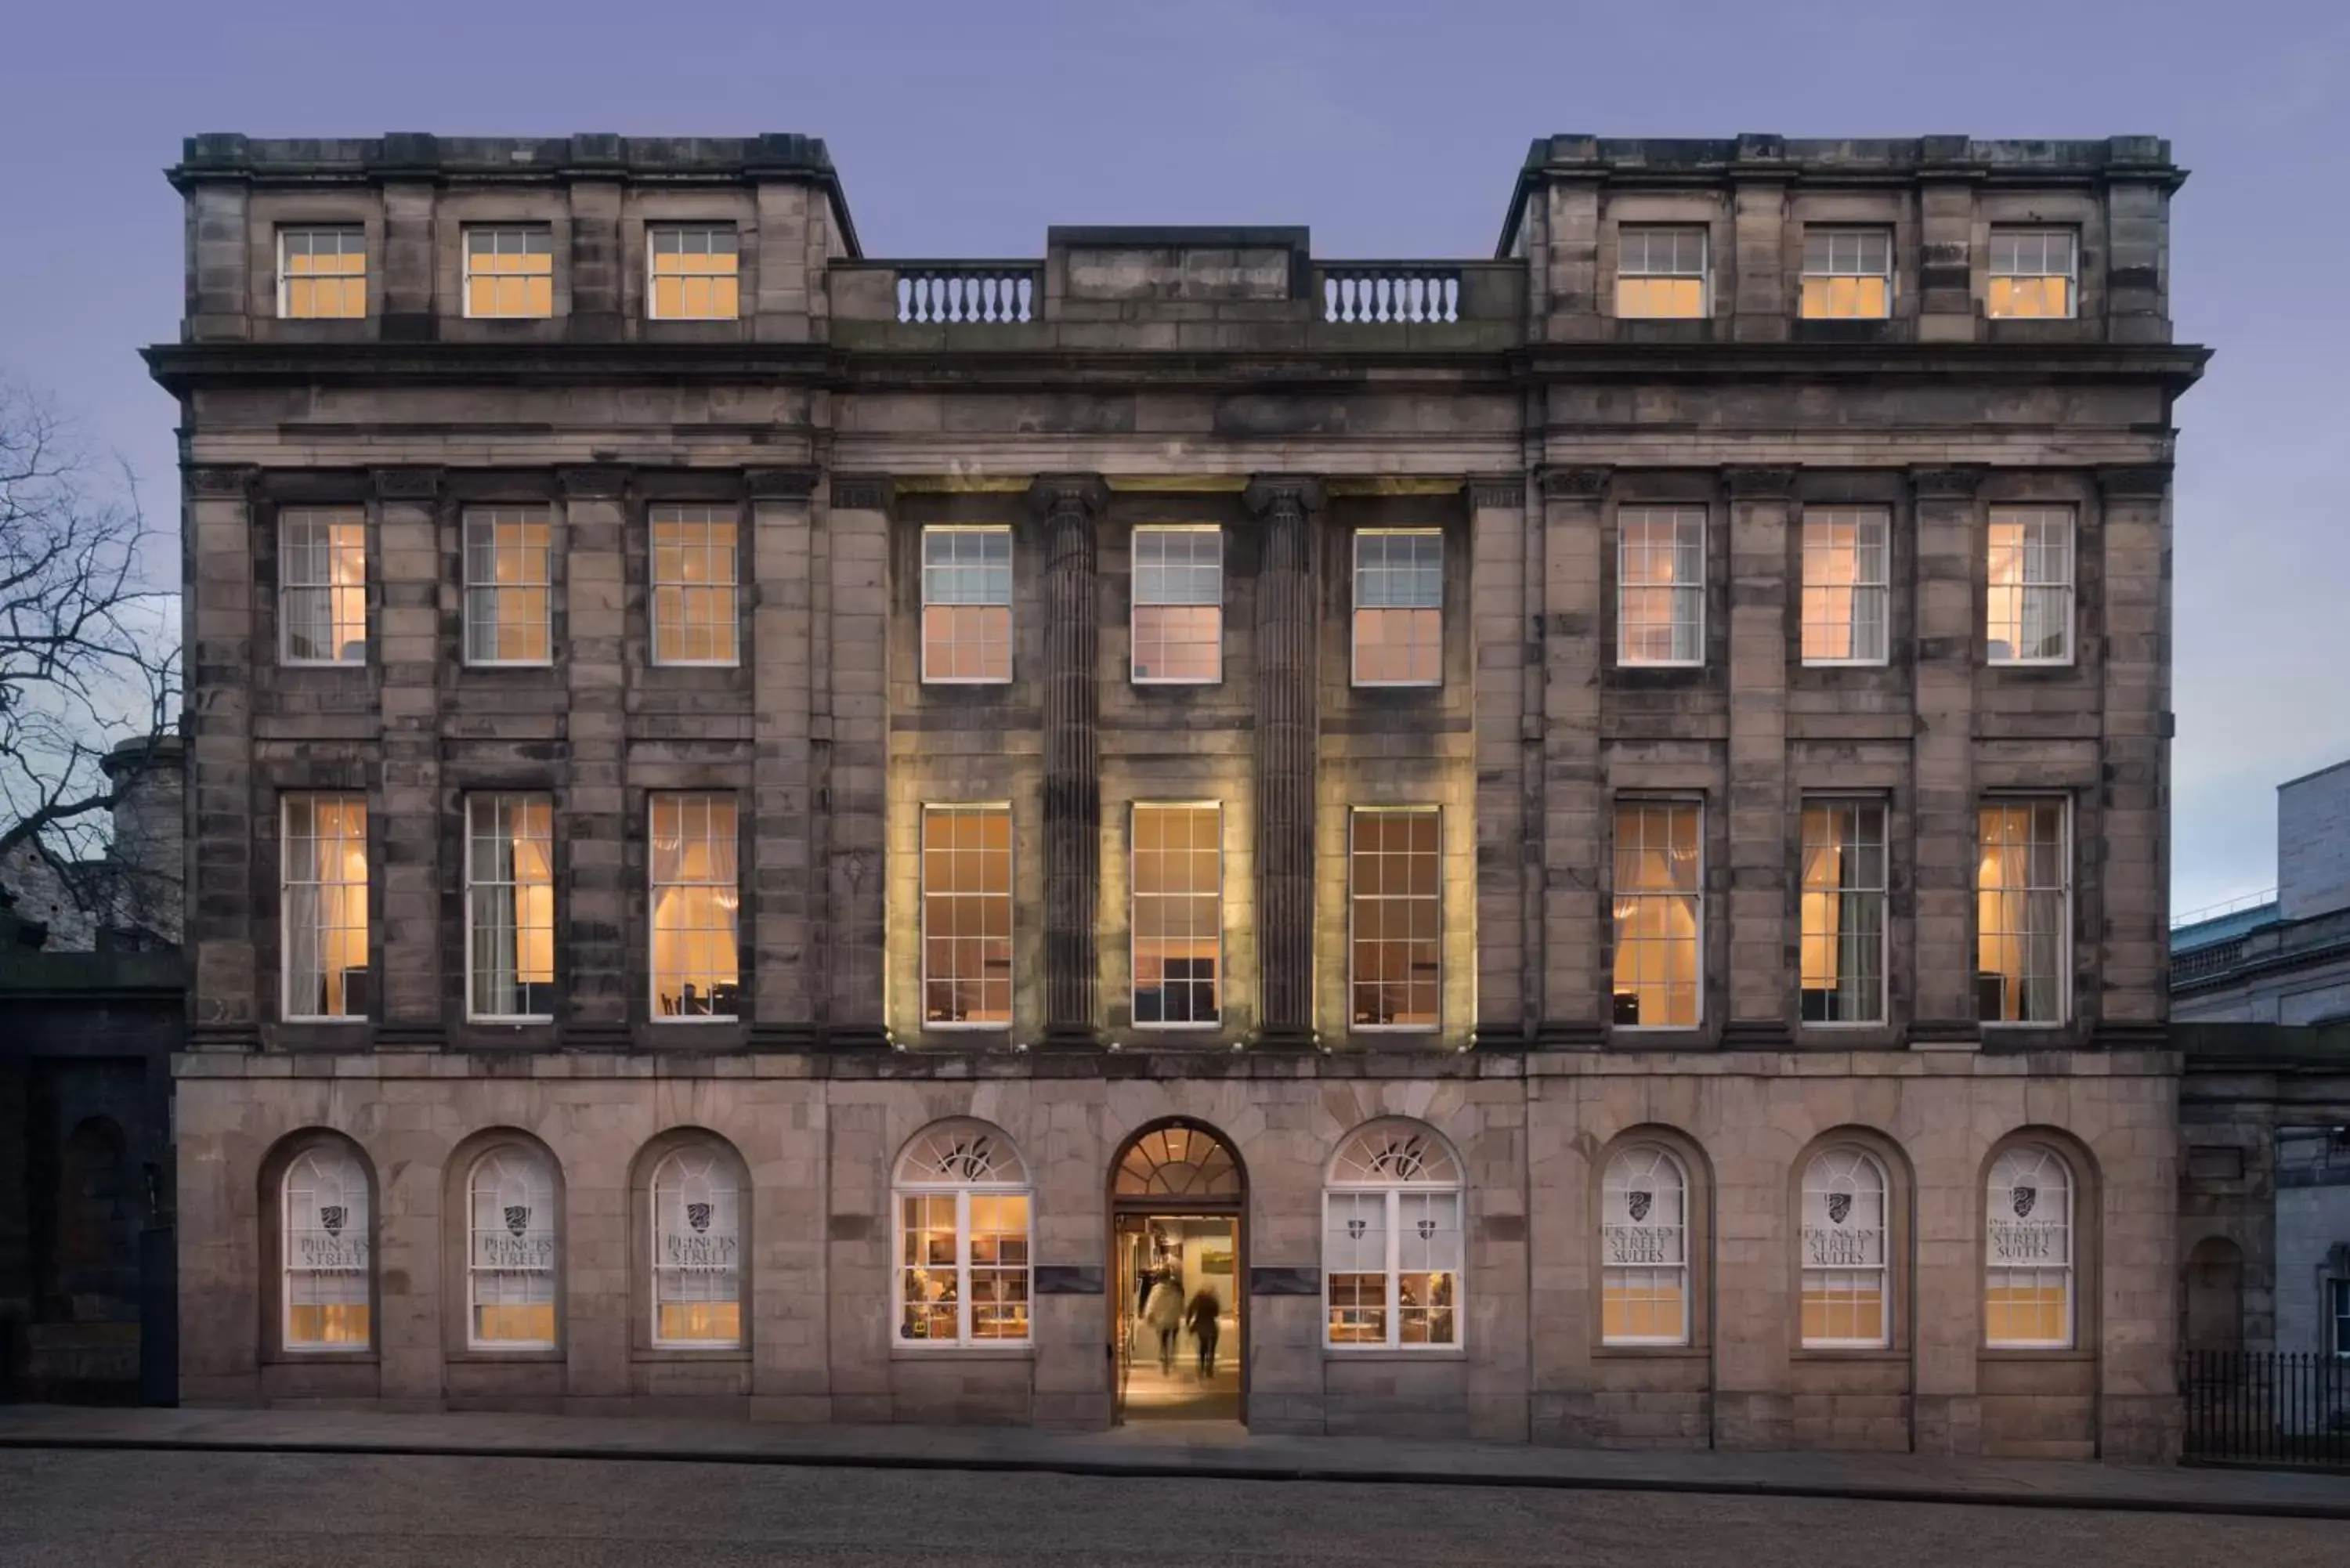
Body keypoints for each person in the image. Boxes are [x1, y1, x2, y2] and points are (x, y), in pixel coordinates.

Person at [1144, 1273, 1184, 1375]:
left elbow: (1151, 1304)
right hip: (1174, 1319)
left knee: (1163, 1340)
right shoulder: (1175, 1290)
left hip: (1161, 1320)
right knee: (1173, 1339)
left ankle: (1165, 1358)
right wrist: (1179, 1314)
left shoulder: (1156, 1290)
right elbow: (1179, 1304)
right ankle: (1172, 1356)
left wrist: (1148, 1315)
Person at [1185, 1285, 1222, 1378]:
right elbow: (1217, 1313)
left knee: (1203, 1347)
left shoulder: (1198, 1299)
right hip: (1212, 1326)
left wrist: (1188, 1323)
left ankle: (1202, 1367)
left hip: (1201, 1326)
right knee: (1212, 1349)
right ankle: (1210, 1369)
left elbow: (1190, 1311)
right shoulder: (1213, 1300)